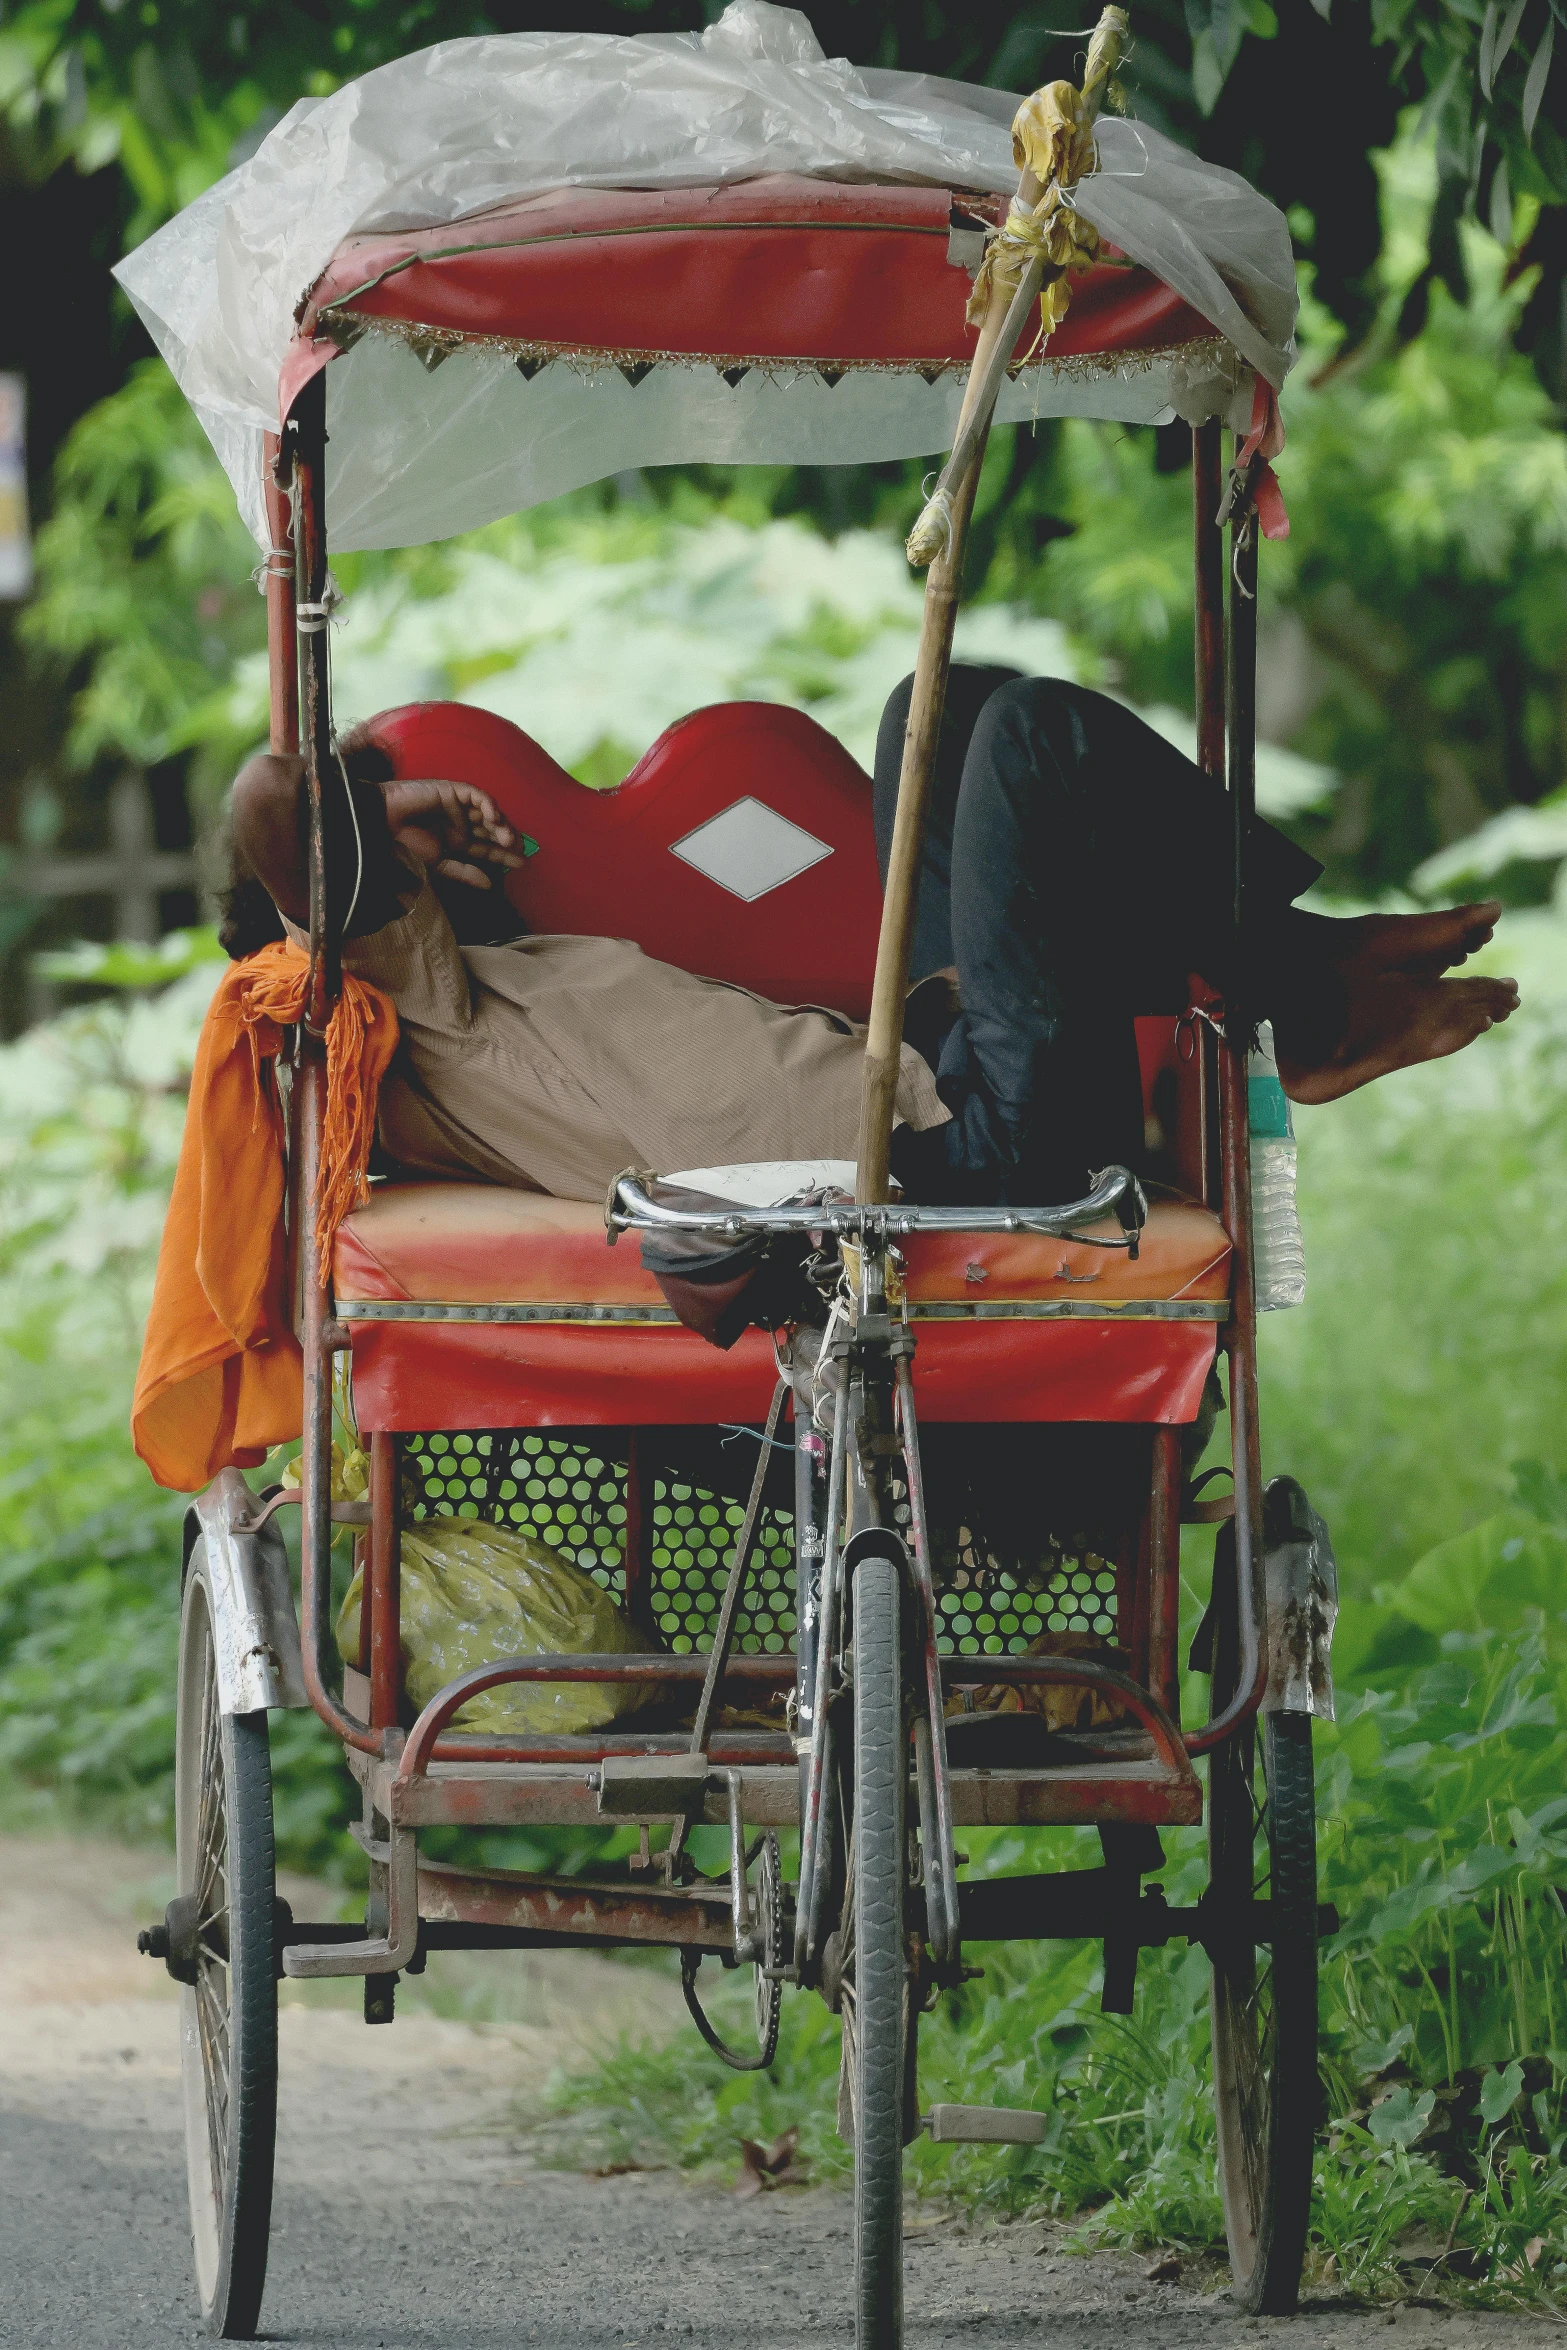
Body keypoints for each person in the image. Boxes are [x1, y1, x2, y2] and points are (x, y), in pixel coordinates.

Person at [227, 669, 1519, 1207]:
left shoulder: (481, 985)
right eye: (373, 837)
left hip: (942, 1067)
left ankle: (1294, 967)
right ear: (323, 912)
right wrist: (378, 796)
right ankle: (1307, 1002)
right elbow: (267, 808)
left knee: (936, 714)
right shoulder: (397, 1026)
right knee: (1025, 749)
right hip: (954, 1162)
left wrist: (394, 810)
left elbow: (301, 829)